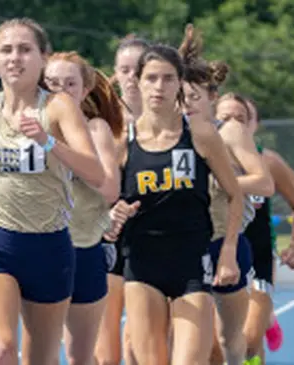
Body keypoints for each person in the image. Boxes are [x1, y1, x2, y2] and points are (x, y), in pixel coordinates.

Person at [0, 17, 105, 365]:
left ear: (43, 58)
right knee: (0, 352)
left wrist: (48, 141)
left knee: (40, 359)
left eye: (25, 50)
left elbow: (95, 172)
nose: (15, 58)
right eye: (6, 50)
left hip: (49, 247)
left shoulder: (57, 107)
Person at [105, 42, 245, 365]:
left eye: (168, 79)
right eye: (151, 78)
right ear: (137, 82)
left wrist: (228, 251)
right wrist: (112, 215)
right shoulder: (122, 141)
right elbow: (102, 200)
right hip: (141, 265)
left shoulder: (199, 134)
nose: (159, 87)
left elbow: (235, 193)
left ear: (180, 83)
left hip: (192, 263)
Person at [177, 24, 275, 365]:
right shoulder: (171, 134)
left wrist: (220, 182)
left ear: (212, 98)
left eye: (194, 97)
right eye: (181, 97)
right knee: (188, 340)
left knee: (229, 339)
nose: (186, 104)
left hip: (225, 242)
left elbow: (263, 183)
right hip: (182, 243)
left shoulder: (229, 131)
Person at [19, 51, 123, 365]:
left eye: (70, 84)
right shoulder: (27, 127)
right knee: (37, 355)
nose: (60, 92)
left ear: (85, 89)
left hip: (82, 248)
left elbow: (110, 189)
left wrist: (60, 152)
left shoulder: (96, 130)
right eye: (51, 84)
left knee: (80, 357)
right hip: (39, 248)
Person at [96, 34, 150, 365]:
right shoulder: (102, 126)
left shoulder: (174, 126)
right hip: (109, 239)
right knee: (106, 350)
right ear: (115, 74)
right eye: (125, 70)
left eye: (139, 69)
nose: (132, 77)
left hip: (154, 239)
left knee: (139, 344)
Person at [242, 98, 294, 364]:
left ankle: (263, 319)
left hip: (257, 255)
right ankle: (267, 317)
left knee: (248, 339)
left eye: (243, 117)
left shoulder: (267, 160)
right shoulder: (206, 155)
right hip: (217, 253)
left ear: (255, 124)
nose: (234, 124)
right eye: (227, 117)